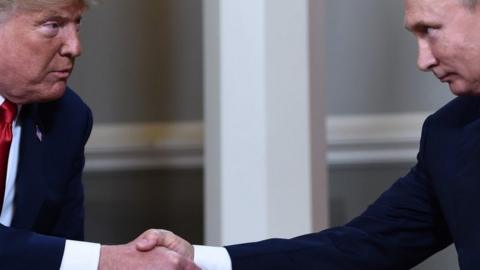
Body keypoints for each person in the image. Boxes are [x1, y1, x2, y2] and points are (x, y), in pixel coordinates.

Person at [139, 0, 480, 269]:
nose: (422, 60)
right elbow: (364, 246)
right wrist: (195, 260)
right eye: (415, 35)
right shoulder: (447, 135)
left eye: (430, 30)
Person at [0, 0, 199, 269]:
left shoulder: (68, 117)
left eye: (77, 25)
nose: (75, 47)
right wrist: (109, 260)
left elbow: (64, 243)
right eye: (53, 26)